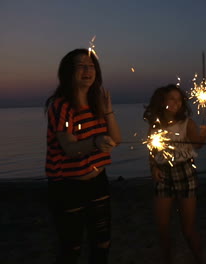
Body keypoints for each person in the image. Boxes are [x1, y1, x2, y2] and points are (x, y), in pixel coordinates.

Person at [44, 48, 122, 264]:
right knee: (72, 248)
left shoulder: (97, 102)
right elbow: (69, 147)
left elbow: (116, 139)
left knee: (102, 244)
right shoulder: (61, 106)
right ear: (68, 72)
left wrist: (108, 111)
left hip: (98, 182)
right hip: (67, 186)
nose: (88, 70)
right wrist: (96, 142)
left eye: (91, 66)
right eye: (81, 66)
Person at [143, 84, 206, 264]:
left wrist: (202, 136)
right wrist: (153, 168)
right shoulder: (155, 125)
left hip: (185, 172)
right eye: (172, 98)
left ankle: (199, 259)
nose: (176, 103)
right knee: (162, 228)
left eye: (179, 99)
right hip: (163, 175)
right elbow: (152, 151)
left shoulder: (187, 123)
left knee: (187, 229)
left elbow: (197, 146)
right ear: (162, 100)